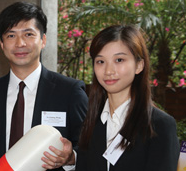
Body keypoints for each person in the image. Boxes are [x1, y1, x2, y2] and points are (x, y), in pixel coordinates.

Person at [0, 2, 88, 171]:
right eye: (11, 36)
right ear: (2, 44)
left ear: (43, 40)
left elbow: (89, 147)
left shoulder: (70, 92)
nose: (20, 43)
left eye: (28, 34)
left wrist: (71, 158)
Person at [76, 25, 180, 171]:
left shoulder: (159, 125)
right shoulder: (91, 122)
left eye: (119, 60)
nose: (108, 71)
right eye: (100, 61)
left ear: (139, 65)